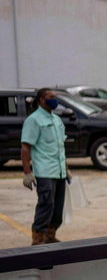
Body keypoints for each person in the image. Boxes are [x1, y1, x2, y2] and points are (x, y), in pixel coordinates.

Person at [21, 88, 71, 245]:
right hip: (44, 171)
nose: (54, 100)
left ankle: (50, 236)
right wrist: (27, 172)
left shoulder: (56, 120)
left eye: (55, 97)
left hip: (59, 171)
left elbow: (60, 147)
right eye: (51, 97)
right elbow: (25, 147)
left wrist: (66, 168)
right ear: (42, 100)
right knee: (46, 205)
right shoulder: (33, 120)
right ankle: (37, 239)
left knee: (57, 208)